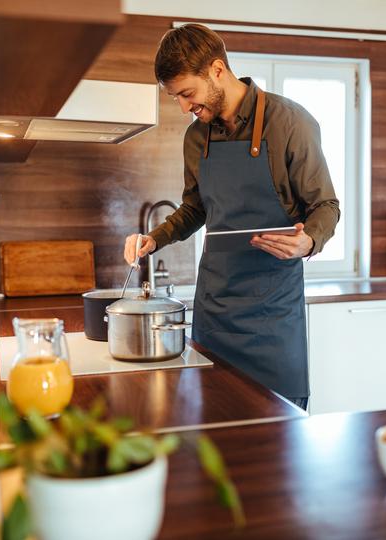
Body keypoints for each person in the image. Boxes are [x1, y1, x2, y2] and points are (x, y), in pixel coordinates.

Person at [123, 23, 339, 410]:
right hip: (216, 315)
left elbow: (326, 205)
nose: (185, 107)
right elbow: (195, 209)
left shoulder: (290, 123)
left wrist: (308, 241)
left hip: (272, 317)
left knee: (279, 439)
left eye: (187, 94)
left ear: (217, 70)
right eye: (176, 98)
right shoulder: (196, 138)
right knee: (217, 435)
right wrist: (155, 238)